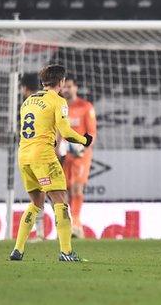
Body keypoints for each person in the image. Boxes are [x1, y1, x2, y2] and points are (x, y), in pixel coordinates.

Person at [9, 65, 93, 262]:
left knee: (36, 203)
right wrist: (84, 140)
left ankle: (17, 250)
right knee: (61, 202)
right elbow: (66, 132)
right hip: (43, 156)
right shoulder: (58, 101)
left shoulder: (28, 101)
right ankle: (66, 252)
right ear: (61, 82)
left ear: (42, 82)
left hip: (24, 156)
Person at [60, 76, 97, 238]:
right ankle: (71, 225)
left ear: (76, 88)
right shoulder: (59, 107)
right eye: (64, 87)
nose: (66, 90)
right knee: (64, 191)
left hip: (81, 155)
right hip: (63, 154)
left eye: (69, 86)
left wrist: (83, 146)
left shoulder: (85, 107)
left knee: (77, 187)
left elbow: (92, 133)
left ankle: (76, 223)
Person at [19, 73, 47, 243]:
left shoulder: (27, 104)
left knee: (42, 194)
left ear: (25, 88)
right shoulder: (47, 100)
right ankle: (43, 232)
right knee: (49, 193)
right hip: (47, 152)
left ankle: (41, 233)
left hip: (40, 153)